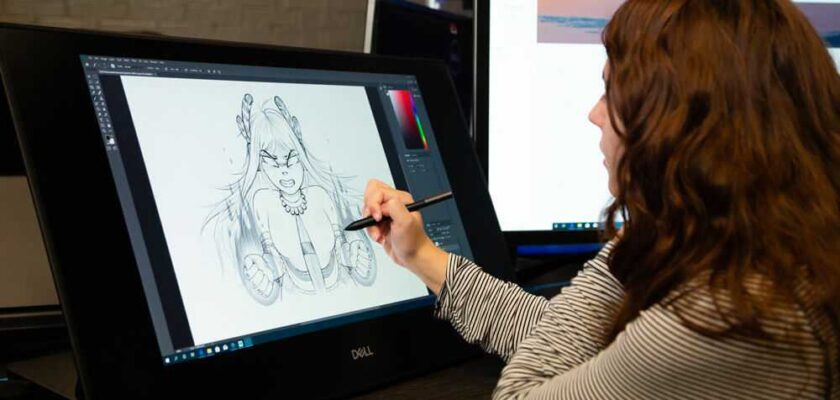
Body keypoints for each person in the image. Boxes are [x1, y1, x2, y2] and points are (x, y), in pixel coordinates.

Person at [362, 0, 840, 398]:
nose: (594, 114)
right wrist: (420, 255)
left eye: (613, 93)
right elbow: (571, 343)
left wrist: (636, 237)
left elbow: (523, 389)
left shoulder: (720, 316)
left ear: (676, 126)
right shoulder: (775, 259)